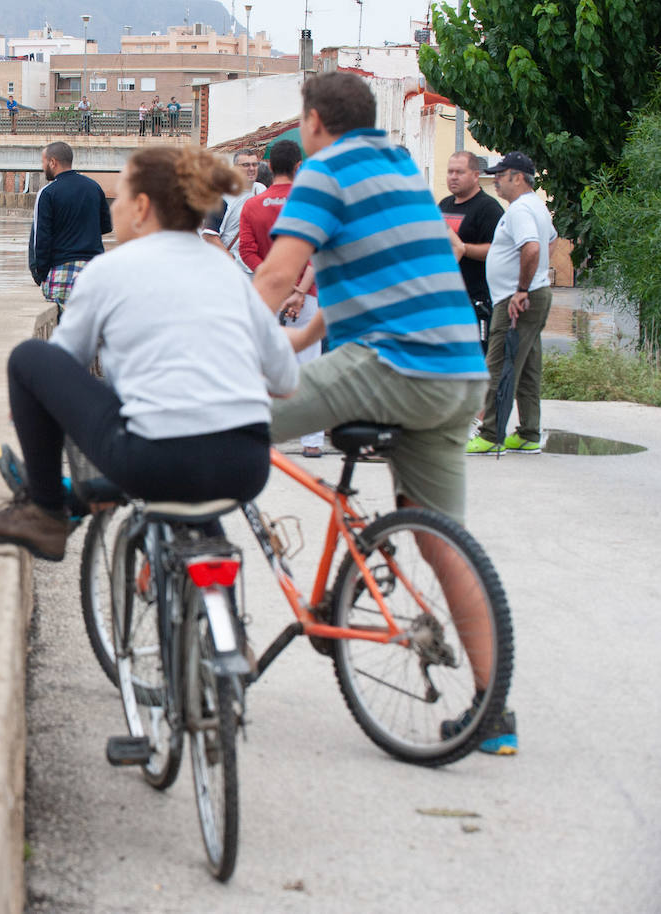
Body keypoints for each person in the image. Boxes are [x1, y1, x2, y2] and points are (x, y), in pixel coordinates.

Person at [251, 72, 514, 755]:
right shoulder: (397, 167)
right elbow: (375, 275)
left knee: (227, 420)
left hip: (394, 365)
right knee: (443, 538)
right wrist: (302, 338)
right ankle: (492, 714)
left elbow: (276, 278)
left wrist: (212, 339)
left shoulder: (324, 170)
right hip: (458, 374)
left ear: (311, 122)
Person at [0, 146, 299, 562]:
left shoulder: (108, 271)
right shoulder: (228, 273)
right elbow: (284, 380)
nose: (114, 208)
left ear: (141, 207)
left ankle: (46, 511)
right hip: (245, 465)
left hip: (153, 461)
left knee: (29, 358)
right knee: (189, 469)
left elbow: (62, 364)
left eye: (118, 196)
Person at [467, 151, 558, 457]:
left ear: (517, 177)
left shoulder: (520, 210)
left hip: (517, 299)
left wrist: (522, 289)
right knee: (529, 367)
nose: (495, 182)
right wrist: (538, 278)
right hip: (533, 293)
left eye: (500, 175)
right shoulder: (536, 206)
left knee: (499, 364)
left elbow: (532, 248)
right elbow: (551, 241)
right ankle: (529, 433)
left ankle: (491, 433)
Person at [237, 140, 325, 458]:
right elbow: (318, 251)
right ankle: (312, 441)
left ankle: (265, 435)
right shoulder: (310, 204)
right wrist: (298, 289)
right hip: (308, 293)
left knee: (263, 365)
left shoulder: (252, 206)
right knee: (309, 365)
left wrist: (277, 282)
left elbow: (247, 251)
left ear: (269, 167)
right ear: (299, 167)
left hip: (266, 295)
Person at [28, 142, 113, 317]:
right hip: (94, 272)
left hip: (62, 274)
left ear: (53, 162)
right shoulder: (94, 187)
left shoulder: (48, 193)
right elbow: (106, 226)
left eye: (43, 162)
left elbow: (40, 240)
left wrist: (43, 276)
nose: (42, 167)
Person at [440, 152, 504, 356]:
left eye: (460, 172)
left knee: (476, 361)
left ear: (476, 176)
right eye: (450, 172)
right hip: (446, 301)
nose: (453, 177)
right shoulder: (444, 205)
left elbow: (496, 251)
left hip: (476, 302)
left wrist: (463, 249)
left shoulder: (488, 208)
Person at [217, 148, 266, 273]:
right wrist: (230, 262)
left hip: (256, 268)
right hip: (231, 269)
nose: (251, 168)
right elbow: (209, 234)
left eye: (255, 164)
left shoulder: (262, 190)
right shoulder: (224, 194)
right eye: (245, 165)